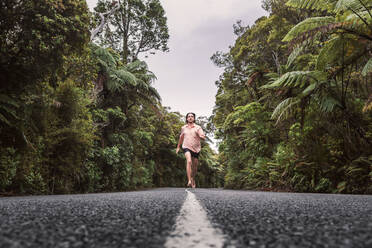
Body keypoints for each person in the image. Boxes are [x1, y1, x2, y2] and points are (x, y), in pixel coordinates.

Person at [176, 112, 206, 188]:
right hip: (186, 146)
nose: (190, 117)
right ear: (186, 118)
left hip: (196, 148)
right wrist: (178, 147)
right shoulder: (183, 128)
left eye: (192, 116)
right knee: (189, 161)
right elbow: (181, 138)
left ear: (194, 118)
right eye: (188, 116)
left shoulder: (198, 127)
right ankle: (189, 180)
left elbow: (202, 136)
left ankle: (193, 178)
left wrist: (202, 137)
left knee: (195, 167)